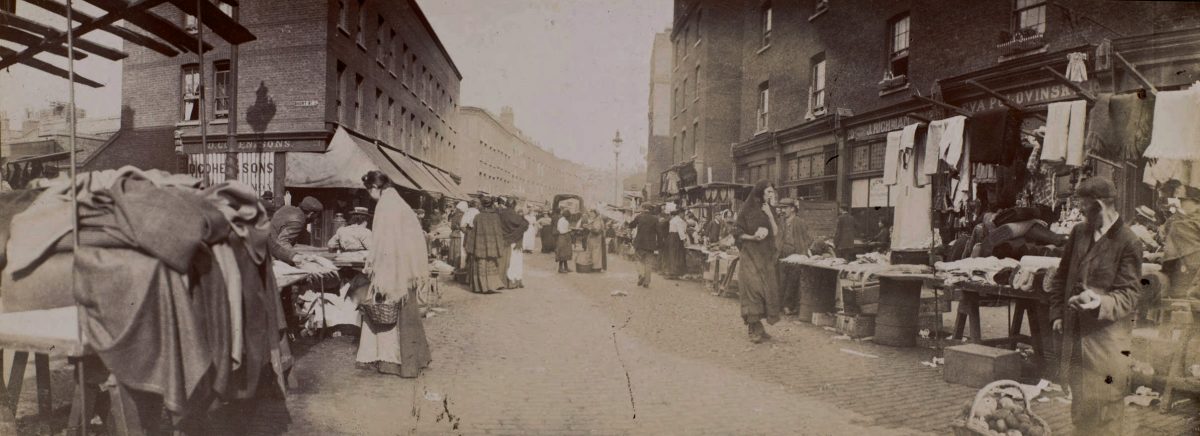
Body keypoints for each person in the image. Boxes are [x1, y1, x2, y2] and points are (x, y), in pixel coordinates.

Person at [1047, 177, 1141, 435]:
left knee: (1106, 413)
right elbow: (1062, 275)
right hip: (1076, 339)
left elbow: (1130, 294)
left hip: (1106, 344)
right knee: (1081, 411)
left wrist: (1099, 301)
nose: (1082, 213)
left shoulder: (1128, 241)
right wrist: (1057, 313)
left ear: (1101, 205)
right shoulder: (1079, 232)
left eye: (1086, 208)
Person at [356, 171, 432, 377]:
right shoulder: (400, 202)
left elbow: (381, 242)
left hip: (392, 269)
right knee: (408, 313)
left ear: (374, 187)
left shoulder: (384, 205)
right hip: (407, 268)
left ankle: (390, 361)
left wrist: (373, 266)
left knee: (385, 311)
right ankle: (414, 359)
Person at [735, 181, 781, 343]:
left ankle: (758, 327)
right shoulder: (746, 211)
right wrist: (753, 237)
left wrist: (769, 214)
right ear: (760, 193)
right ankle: (753, 329)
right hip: (750, 255)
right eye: (768, 192)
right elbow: (737, 233)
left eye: (772, 192)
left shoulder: (770, 210)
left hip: (765, 258)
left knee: (766, 291)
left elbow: (775, 232)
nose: (771, 195)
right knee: (752, 290)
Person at [1161, 186, 1200, 300]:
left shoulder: (1181, 225)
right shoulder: (1185, 221)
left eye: (1184, 201)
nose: (1181, 204)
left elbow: (1189, 256)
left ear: (1196, 203)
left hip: (1188, 277)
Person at [776, 198, 812, 315]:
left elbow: (808, 239)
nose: (782, 210)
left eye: (785, 208)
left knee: (792, 281)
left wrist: (802, 253)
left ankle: (788, 305)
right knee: (781, 280)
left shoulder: (800, 222)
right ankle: (780, 305)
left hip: (795, 254)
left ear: (792, 209)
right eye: (781, 208)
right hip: (782, 253)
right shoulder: (781, 221)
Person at [464, 196, 507, 293]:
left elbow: (472, 231)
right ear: (492, 204)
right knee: (491, 264)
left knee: (480, 264)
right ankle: (492, 285)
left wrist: (470, 245)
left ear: (482, 205)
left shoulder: (478, 217)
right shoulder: (496, 217)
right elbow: (499, 232)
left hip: (480, 245)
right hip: (492, 245)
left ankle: (480, 287)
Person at [269, 196, 324, 266]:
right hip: (271, 255)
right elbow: (282, 242)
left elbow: (302, 235)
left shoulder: (288, 208)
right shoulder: (298, 220)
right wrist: (294, 257)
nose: (317, 218)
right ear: (311, 214)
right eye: (317, 215)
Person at [627, 204, 661, 287]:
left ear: (644, 209)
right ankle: (646, 282)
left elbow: (631, 225)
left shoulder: (639, 217)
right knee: (648, 263)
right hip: (650, 244)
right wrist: (659, 244)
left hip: (639, 243)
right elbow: (659, 233)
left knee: (638, 260)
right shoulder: (655, 219)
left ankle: (641, 274)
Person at [499, 200, 529, 288]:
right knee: (515, 262)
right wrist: (516, 234)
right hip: (515, 242)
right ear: (514, 206)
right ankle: (514, 282)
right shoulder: (515, 216)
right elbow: (525, 224)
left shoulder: (500, 214)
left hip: (504, 241)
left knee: (504, 262)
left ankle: (503, 282)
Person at [664, 203, 687, 279]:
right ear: (681, 213)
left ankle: (670, 271)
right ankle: (675, 273)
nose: (684, 215)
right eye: (683, 214)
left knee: (671, 254)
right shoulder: (679, 220)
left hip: (670, 237)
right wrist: (684, 240)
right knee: (677, 255)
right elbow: (681, 232)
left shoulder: (673, 219)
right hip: (676, 238)